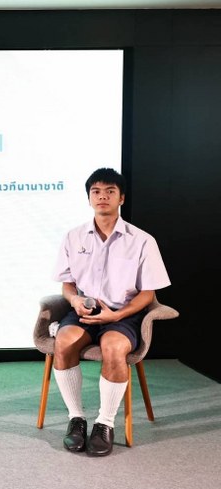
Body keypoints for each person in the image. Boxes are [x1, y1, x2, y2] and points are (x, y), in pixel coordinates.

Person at [52, 167, 170, 456]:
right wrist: (74, 300)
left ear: (121, 198)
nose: (102, 196)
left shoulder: (142, 240)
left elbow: (148, 294)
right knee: (63, 342)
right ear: (89, 198)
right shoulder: (74, 237)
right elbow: (68, 284)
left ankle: (104, 423)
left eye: (110, 191)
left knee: (114, 348)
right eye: (96, 191)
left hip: (123, 313)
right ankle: (76, 418)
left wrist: (117, 316)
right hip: (85, 310)